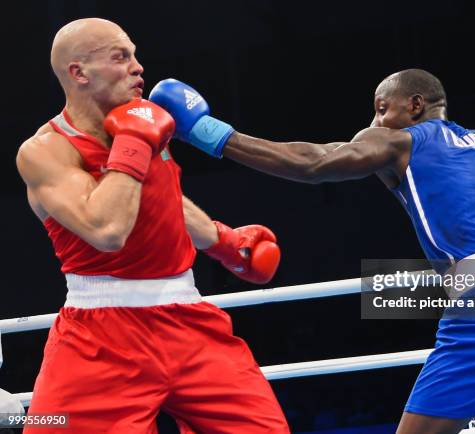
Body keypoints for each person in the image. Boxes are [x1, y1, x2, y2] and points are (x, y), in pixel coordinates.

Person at [148, 70, 475, 434]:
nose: (371, 124)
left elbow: (314, 164)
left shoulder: (400, 140)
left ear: (414, 105)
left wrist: (206, 132)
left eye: (379, 110)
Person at [16, 18, 289, 433]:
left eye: (135, 55)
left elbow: (162, 200)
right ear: (79, 73)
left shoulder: (144, 127)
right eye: (120, 57)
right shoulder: (45, 151)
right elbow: (107, 229)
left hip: (191, 323)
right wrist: (134, 141)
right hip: (100, 336)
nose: (138, 67)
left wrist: (224, 242)